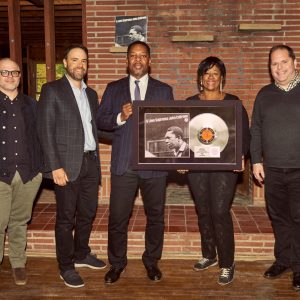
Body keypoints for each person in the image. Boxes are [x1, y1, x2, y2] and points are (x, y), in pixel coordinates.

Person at [96, 41, 174, 284]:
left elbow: (173, 125)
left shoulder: (164, 90)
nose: (137, 60)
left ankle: (151, 261)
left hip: (154, 165)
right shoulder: (113, 88)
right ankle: (117, 263)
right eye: (133, 56)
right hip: (124, 165)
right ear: (127, 60)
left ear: (150, 61)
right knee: (118, 217)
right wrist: (120, 116)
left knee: (156, 217)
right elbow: (100, 121)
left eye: (142, 56)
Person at [37, 44, 106, 288]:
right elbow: (45, 130)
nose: (80, 65)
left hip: (90, 163)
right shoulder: (52, 90)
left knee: (87, 213)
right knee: (66, 219)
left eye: (84, 61)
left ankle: (81, 254)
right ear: (65, 63)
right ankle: (66, 266)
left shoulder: (91, 94)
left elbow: (96, 127)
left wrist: (120, 119)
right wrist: (55, 166)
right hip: (66, 165)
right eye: (75, 60)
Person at [186, 56, 250, 285]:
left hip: (224, 167)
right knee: (203, 211)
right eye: (206, 73)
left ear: (222, 77)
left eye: (215, 73)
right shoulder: (190, 103)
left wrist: (240, 156)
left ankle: (227, 262)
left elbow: (244, 134)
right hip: (197, 167)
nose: (210, 77)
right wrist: (181, 160)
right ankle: (209, 254)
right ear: (200, 78)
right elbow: (185, 137)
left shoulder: (233, 102)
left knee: (220, 212)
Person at [250, 44, 300, 291]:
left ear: (294, 62)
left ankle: (299, 267)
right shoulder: (264, 94)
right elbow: (256, 128)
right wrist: (256, 160)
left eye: (283, 62)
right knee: (279, 218)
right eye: (274, 64)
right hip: (274, 170)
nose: (279, 68)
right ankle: (283, 260)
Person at [0, 58, 42, 285]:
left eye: (14, 73)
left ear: (19, 76)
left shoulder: (31, 104)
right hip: (0, 174)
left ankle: (18, 263)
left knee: (19, 221)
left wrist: (40, 169)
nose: (10, 76)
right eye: (4, 72)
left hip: (28, 173)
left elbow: (42, 136)